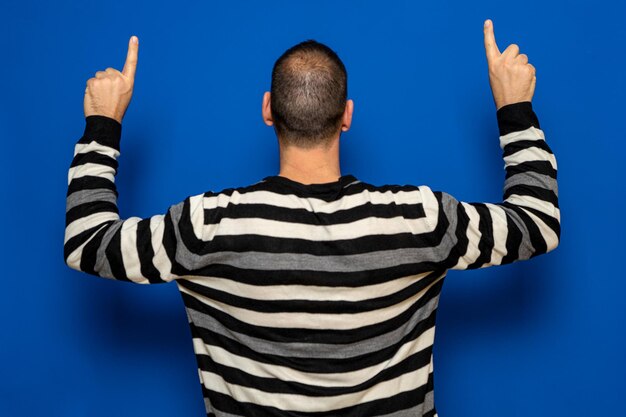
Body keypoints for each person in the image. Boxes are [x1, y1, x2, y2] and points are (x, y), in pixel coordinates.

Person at [65, 19, 559, 417]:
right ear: (347, 115)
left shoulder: (207, 227)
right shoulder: (419, 219)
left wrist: (103, 123)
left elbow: (87, 241)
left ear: (267, 110)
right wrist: (514, 107)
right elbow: (537, 223)